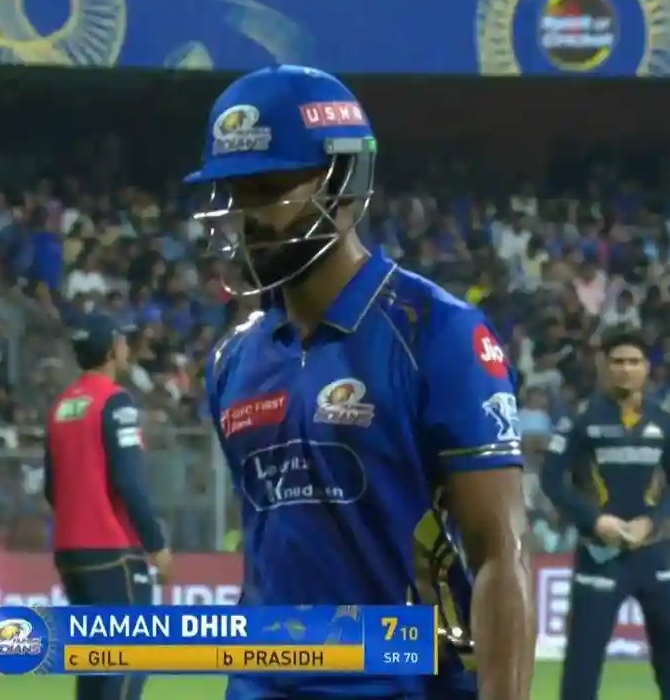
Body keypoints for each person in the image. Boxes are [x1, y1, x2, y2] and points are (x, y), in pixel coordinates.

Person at [190, 65, 533, 700]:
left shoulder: (438, 333)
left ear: (344, 182)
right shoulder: (231, 361)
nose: (248, 216)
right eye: (236, 192)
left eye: (269, 189)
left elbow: (499, 554)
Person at [541, 332, 670, 700]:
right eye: (618, 362)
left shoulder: (664, 421)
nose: (626, 369)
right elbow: (552, 479)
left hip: (652, 551)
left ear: (647, 368)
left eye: (634, 362)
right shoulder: (581, 419)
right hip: (600, 554)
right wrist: (594, 521)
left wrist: (652, 522)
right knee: (584, 656)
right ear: (604, 366)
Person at [43, 313, 173, 700]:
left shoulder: (61, 406)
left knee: (94, 662)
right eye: (122, 341)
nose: (126, 347)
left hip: (70, 551)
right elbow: (129, 481)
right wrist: (156, 545)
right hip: (112, 550)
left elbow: (51, 487)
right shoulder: (115, 402)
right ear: (111, 350)